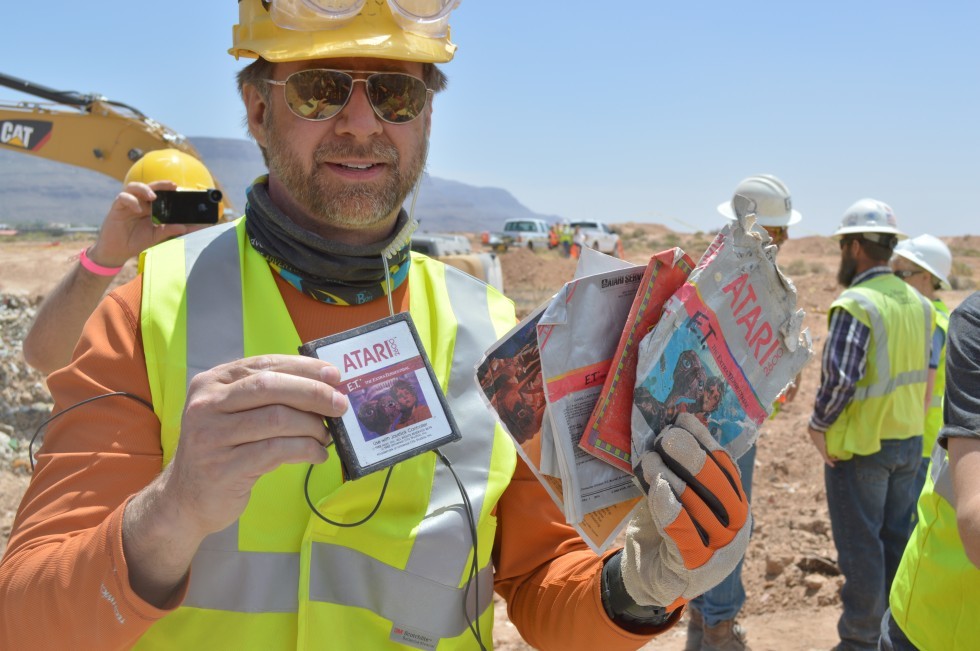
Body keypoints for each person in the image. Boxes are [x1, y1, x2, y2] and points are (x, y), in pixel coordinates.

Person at [0, 3, 751, 649]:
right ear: (257, 111)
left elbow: (542, 580)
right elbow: (26, 621)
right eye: (320, 90)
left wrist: (638, 587)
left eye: (394, 93)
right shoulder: (146, 316)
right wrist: (170, 513)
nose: (361, 124)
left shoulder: (494, 340)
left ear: (426, 116)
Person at [682, 173, 804, 651]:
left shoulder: (707, 269)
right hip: (729, 427)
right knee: (728, 524)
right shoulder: (755, 281)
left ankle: (702, 620)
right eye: (782, 231)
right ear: (765, 230)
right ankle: (717, 628)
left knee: (701, 518)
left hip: (695, 421)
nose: (785, 241)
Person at [806, 199, 934, 651]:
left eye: (844, 245)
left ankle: (861, 641)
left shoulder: (856, 303)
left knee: (861, 549)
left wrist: (818, 425)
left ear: (855, 246)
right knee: (897, 543)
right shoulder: (919, 303)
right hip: (909, 441)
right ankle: (895, 637)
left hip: (862, 448)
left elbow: (841, 380)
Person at [21, 148, 219, 375]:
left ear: (214, 213)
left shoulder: (239, 286)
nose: (177, 226)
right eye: (164, 209)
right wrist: (104, 256)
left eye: (191, 208)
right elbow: (46, 359)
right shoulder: (126, 307)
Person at [880, 291, 980, 651]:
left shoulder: (863, 305)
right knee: (894, 531)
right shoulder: (937, 313)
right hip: (919, 441)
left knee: (877, 538)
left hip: (880, 440)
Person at [890, 234, 953, 498]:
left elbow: (926, 392)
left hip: (920, 441)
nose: (895, 281)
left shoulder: (932, 322)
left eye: (902, 274)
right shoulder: (937, 315)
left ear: (926, 277)